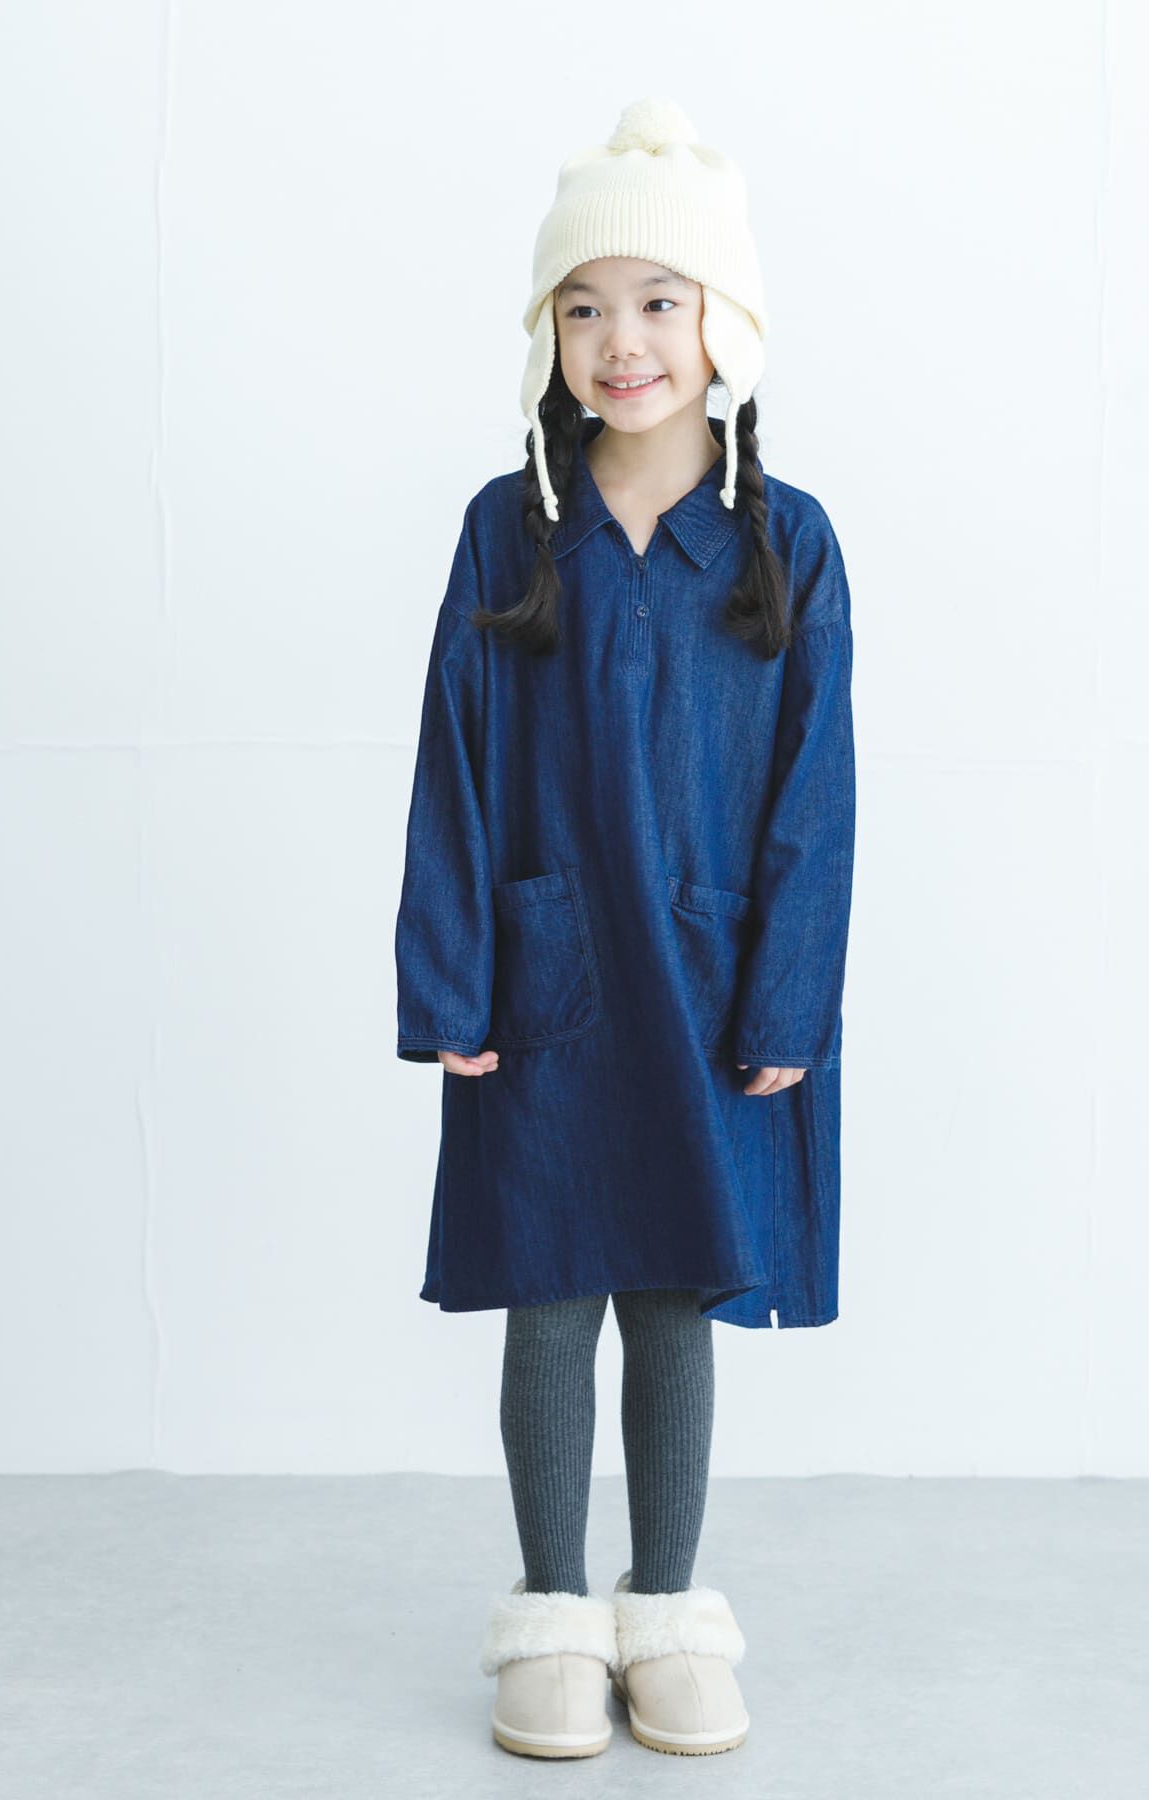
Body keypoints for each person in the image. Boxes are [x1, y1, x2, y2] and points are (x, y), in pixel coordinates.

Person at [394, 98, 856, 1758]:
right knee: (548, 1289)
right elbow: (452, 761)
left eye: (660, 301)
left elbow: (815, 792)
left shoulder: (786, 544)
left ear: (725, 324)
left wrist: (787, 1000)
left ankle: (665, 1610)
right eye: (583, 307)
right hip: (547, 987)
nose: (622, 342)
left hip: (715, 991)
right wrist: (452, 979)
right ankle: (547, 1613)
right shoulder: (508, 530)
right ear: (550, 336)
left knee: (671, 1292)